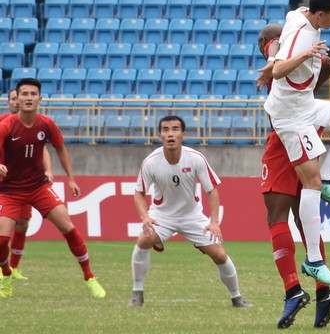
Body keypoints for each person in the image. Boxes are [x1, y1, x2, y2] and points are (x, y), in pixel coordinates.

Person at [264, 0, 330, 287]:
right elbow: (278, 70)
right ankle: (313, 261)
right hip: (290, 118)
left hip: (306, 105)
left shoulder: (300, 16)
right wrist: (305, 55)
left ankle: (326, 177)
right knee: (307, 184)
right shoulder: (301, 37)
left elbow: (295, 12)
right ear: (319, 14)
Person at [257, 23, 330, 328]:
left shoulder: (277, 44)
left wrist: (270, 64)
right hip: (308, 132)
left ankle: (293, 289)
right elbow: (329, 63)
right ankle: (323, 293)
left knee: (276, 217)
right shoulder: (303, 50)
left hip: (285, 139)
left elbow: (273, 50)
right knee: (305, 216)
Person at [128, 115, 252, 308]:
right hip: (162, 216)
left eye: (175, 129)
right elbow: (138, 193)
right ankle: (137, 293)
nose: (171, 134)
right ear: (159, 135)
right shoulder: (151, 162)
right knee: (143, 240)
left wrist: (214, 222)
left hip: (192, 216)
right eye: (166, 130)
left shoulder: (196, 158)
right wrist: (145, 217)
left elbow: (212, 190)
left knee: (219, 254)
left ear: (183, 135)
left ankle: (237, 297)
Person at [0, 78, 106, 299]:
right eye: (24, 94)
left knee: (68, 227)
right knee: (1, 240)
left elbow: (59, 148)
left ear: (40, 98)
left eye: (33, 94)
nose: (29, 98)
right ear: (17, 99)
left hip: (38, 187)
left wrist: (71, 179)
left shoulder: (46, 124)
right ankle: (7, 273)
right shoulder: (7, 125)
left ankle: (90, 277)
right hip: (9, 190)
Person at [0, 89, 54, 281]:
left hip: (27, 183)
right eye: (13, 99)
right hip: (4, 185)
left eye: (18, 98)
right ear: (8, 103)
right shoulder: (3, 123)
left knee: (22, 223)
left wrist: (48, 170)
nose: (17, 102)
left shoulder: (35, 124)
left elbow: (43, 150)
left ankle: (13, 267)